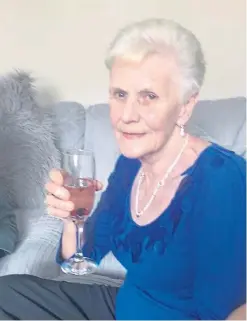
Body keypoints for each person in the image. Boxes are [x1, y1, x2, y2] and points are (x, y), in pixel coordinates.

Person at [0, 18, 245, 320]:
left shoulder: (225, 181)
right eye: (120, 94)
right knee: (7, 292)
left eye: (149, 96)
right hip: (125, 306)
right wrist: (69, 218)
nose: (127, 115)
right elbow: (84, 255)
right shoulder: (131, 165)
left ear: (185, 106)